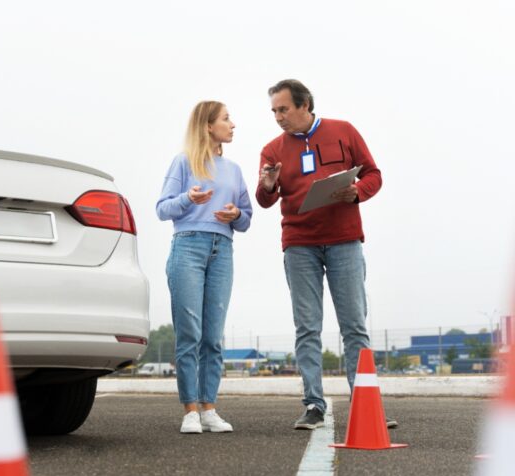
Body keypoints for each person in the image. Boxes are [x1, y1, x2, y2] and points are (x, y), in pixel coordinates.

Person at [256, 79, 396, 430]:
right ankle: (313, 405)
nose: (278, 117)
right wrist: (268, 185)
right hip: (299, 245)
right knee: (307, 328)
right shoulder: (272, 149)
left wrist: (357, 192)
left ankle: (366, 403)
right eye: (274, 111)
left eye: (283, 109)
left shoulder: (344, 131)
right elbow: (264, 199)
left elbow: (374, 174)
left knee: (354, 326)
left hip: (345, 242)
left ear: (305, 105)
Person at [156, 101, 253, 434]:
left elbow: (246, 218)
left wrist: (235, 215)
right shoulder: (183, 162)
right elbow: (162, 209)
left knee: (213, 337)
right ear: (208, 126)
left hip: (222, 249)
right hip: (188, 247)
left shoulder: (235, 170)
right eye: (227, 119)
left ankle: (210, 407)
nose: (233, 124)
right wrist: (188, 199)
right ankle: (190, 411)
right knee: (190, 335)